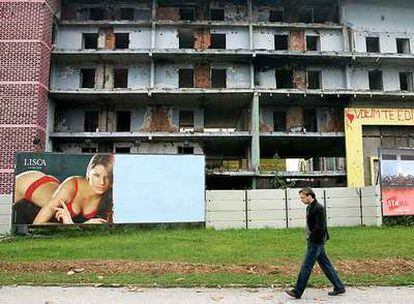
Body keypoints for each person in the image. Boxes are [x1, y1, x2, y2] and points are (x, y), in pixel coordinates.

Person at [284, 187, 345, 299]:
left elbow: (320, 227)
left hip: (316, 242)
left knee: (306, 266)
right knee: (326, 265)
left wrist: (311, 238)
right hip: (315, 241)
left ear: (309, 196)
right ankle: (339, 286)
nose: (301, 200)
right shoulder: (310, 207)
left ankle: (297, 291)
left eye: (303, 197)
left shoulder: (318, 208)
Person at [32, 154, 114, 225]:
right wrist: (74, 226)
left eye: (107, 177)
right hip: (32, 184)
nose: (102, 182)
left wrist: (73, 225)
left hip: (55, 187)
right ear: (89, 173)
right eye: (96, 175)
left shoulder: (110, 197)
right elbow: (37, 224)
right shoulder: (72, 185)